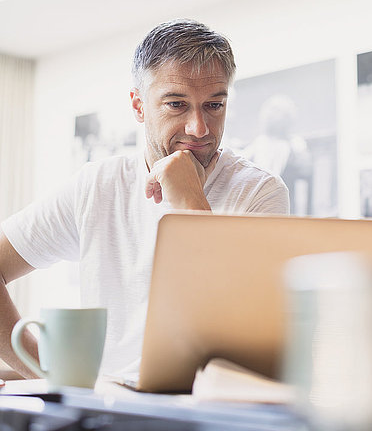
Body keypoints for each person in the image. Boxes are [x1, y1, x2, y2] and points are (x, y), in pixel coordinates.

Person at [0, 19, 289, 379]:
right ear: (138, 106)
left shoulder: (259, 192)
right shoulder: (95, 186)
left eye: (214, 105)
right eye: (176, 105)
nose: (199, 128)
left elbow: (241, 331)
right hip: (109, 411)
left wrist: (189, 202)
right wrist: (41, 369)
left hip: (208, 411)